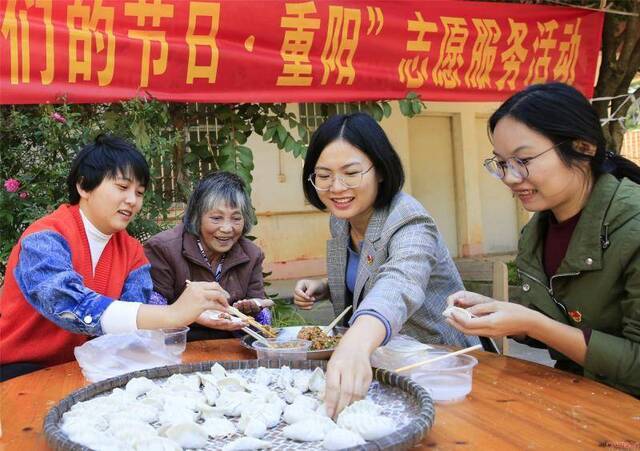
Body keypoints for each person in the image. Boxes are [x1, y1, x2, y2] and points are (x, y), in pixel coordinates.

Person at [446, 82, 640, 398]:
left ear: (584, 148)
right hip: (578, 399)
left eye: (523, 160)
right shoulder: (536, 233)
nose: (509, 177)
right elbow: (562, 319)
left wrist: (534, 324)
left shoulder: (633, 225)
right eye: (502, 163)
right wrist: (507, 316)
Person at [294, 112, 479, 416]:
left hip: (439, 366)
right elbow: (369, 276)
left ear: (379, 169)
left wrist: (354, 345)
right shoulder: (342, 221)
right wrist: (325, 287)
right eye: (323, 176)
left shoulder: (409, 219)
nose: (336, 188)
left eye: (351, 173)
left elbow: (400, 283)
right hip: (385, 362)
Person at [0, 135, 229, 381]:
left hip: (88, 368)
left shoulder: (132, 252)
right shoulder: (45, 237)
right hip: (19, 369)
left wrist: (191, 315)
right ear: (84, 186)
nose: (132, 200)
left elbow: (128, 331)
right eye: (122, 187)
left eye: (139, 193)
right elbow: (69, 306)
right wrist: (172, 314)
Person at [144, 171, 272, 341]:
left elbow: (262, 322)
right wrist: (193, 314)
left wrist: (255, 310)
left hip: (231, 347)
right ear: (197, 217)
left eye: (236, 218)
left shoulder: (251, 254)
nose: (227, 228)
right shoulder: (163, 249)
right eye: (216, 218)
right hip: (178, 348)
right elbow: (151, 312)